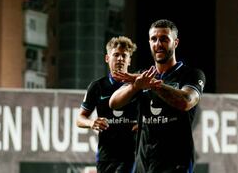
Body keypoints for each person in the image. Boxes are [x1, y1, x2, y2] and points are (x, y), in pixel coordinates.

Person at [110, 19, 206, 173]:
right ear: (149, 42)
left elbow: (186, 101)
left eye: (164, 39)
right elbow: (113, 103)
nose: (158, 44)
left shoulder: (191, 74)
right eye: (154, 39)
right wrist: (136, 86)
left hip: (176, 165)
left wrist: (154, 85)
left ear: (175, 42)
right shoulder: (142, 77)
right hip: (144, 165)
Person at [76, 36, 138, 173]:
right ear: (107, 58)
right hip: (105, 155)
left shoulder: (137, 85)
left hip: (131, 153)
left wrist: (144, 124)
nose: (120, 59)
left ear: (129, 60)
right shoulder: (97, 86)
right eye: (116, 55)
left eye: (124, 55)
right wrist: (91, 123)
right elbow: (79, 119)